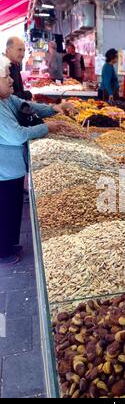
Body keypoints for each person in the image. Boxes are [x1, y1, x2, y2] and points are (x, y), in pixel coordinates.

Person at [0, 55, 73, 265]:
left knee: (12, 208)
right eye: (6, 77)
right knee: (4, 211)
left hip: (11, 171)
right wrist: (45, 128)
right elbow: (16, 136)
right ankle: (3, 251)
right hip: (3, 173)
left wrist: (52, 109)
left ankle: (9, 244)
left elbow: (26, 106)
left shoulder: (6, 100)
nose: (12, 80)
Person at [5, 37, 32, 101]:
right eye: (19, 50)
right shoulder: (3, 67)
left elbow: (18, 89)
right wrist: (27, 94)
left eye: (24, 50)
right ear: (8, 50)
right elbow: (7, 96)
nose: (22, 54)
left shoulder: (16, 64)